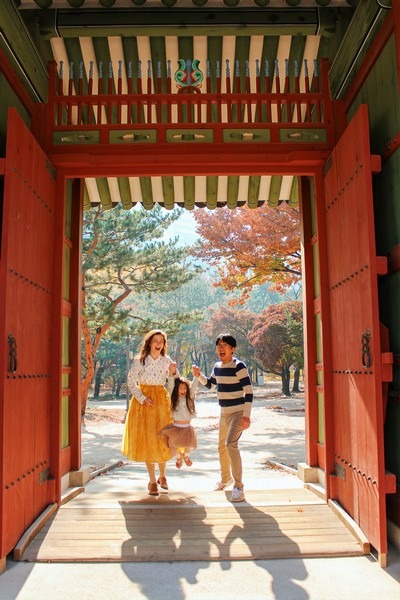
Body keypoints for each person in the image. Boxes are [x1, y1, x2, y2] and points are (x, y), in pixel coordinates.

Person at [192, 333, 253, 503]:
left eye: (225, 345)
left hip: (238, 412)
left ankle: (239, 486)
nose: (221, 348)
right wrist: (198, 375)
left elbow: (249, 391)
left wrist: (246, 416)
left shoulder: (239, 366)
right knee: (221, 447)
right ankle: (226, 479)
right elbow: (211, 385)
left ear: (232, 349)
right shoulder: (217, 366)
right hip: (224, 412)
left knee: (230, 444)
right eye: (219, 345)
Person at [121, 329, 176, 496]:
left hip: (161, 401)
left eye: (161, 341)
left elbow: (173, 385)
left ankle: (163, 476)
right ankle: (152, 481)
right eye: (156, 340)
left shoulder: (167, 361)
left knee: (162, 439)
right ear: (149, 343)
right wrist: (142, 398)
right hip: (143, 403)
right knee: (147, 439)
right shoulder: (140, 361)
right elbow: (131, 382)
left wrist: (173, 373)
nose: (158, 344)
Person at [158, 374, 198, 468]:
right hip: (175, 429)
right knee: (173, 449)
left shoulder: (189, 398)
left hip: (187, 429)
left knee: (187, 447)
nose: (183, 390)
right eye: (180, 388)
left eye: (185, 388)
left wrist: (196, 376)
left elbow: (194, 387)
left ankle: (186, 456)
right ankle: (179, 457)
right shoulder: (174, 399)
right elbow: (170, 387)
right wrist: (171, 375)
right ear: (177, 390)